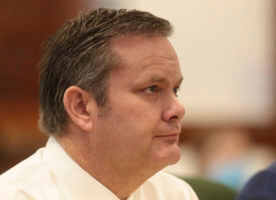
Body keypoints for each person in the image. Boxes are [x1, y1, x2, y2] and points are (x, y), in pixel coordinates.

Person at [0, 8, 198, 200]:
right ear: (82, 108)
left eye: (175, 90)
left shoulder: (175, 194)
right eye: (152, 89)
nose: (178, 110)